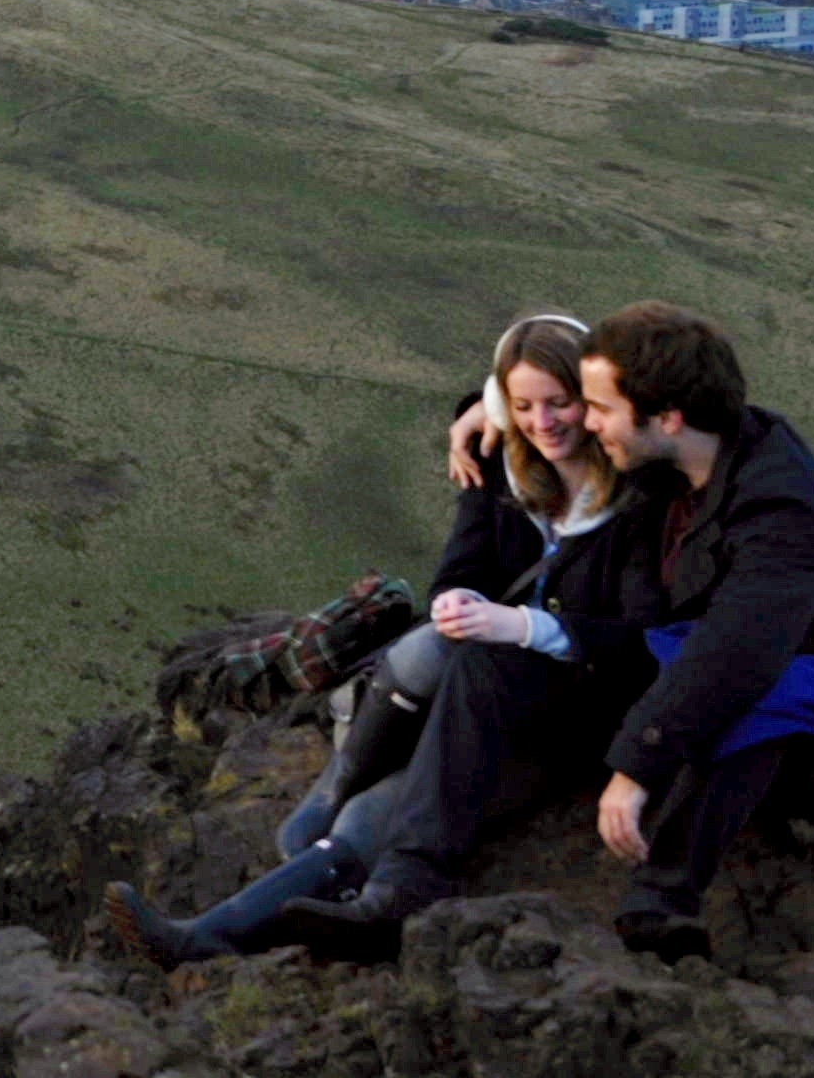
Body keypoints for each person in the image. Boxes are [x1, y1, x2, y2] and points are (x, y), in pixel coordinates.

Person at [287, 301, 814, 965]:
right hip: (662, 667)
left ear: (664, 417)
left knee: (764, 695)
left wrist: (637, 765)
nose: (584, 421)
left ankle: (662, 906)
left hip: (804, 707)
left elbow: (737, 652)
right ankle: (403, 890)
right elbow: (549, 374)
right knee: (486, 664)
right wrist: (482, 412)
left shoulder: (782, 508)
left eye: (598, 408)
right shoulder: (685, 441)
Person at [106, 313, 622, 963]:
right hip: (476, 683)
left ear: (594, 398)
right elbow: (460, 570)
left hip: (562, 711)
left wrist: (520, 626)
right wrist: (459, 601)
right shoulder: (501, 461)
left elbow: (636, 634)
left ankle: (225, 930)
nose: (542, 422)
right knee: (430, 652)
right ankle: (304, 826)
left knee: (399, 799)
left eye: (560, 403)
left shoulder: (632, 492)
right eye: (523, 406)